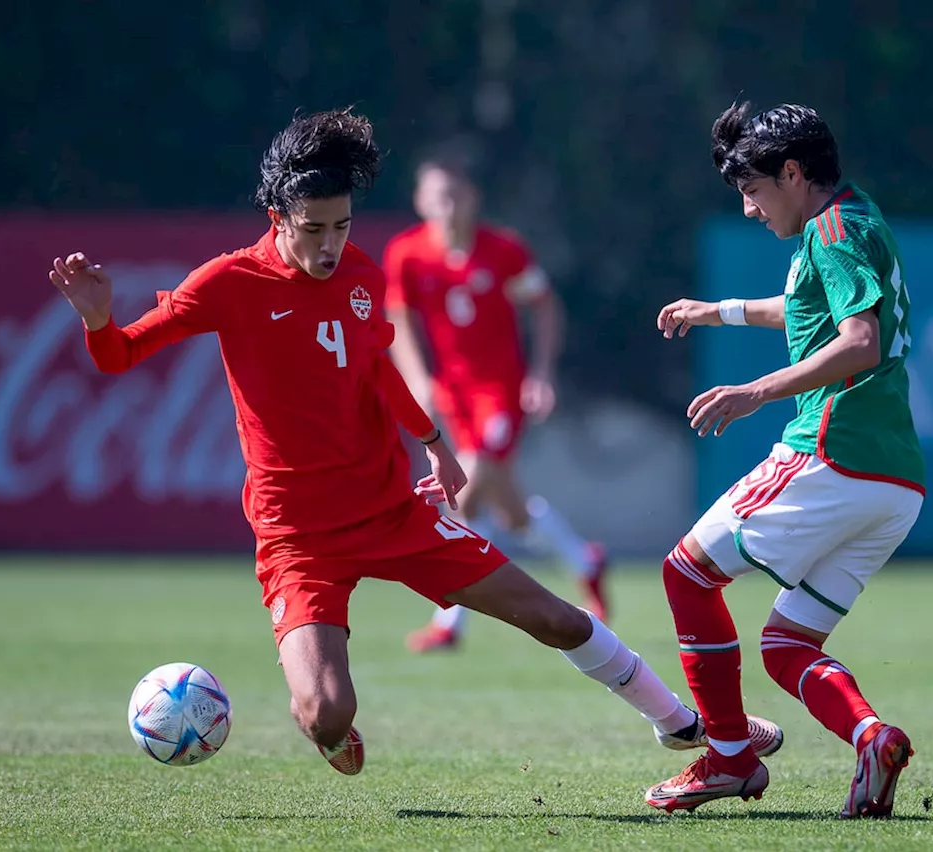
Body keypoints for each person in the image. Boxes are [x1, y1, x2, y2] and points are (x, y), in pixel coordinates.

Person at [48, 108, 781, 778]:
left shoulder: (363, 278)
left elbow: (378, 374)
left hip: (392, 513)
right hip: (297, 536)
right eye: (314, 230)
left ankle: (688, 724)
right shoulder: (228, 282)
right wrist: (98, 318)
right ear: (277, 218)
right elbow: (119, 356)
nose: (332, 246)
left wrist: (435, 442)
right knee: (326, 714)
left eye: (342, 227)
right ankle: (336, 735)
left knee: (553, 617)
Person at [644, 101, 926, 817]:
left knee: (686, 573)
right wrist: (720, 310)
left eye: (754, 191)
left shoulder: (830, 234)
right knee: (784, 644)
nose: (747, 209)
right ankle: (872, 736)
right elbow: (805, 306)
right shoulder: (854, 218)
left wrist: (757, 391)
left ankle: (732, 758)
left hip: (834, 452)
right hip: (895, 483)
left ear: (794, 173)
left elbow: (858, 339)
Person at [382, 145, 609, 654]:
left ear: (473, 198)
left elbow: (546, 309)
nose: (448, 205)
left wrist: (542, 374)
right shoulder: (407, 253)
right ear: (420, 201)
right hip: (453, 396)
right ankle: (584, 561)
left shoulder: (504, 249)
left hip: (500, 393)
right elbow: (398, 320)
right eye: (437, 195)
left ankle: (450, 622)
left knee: (468, 482)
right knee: (508, 513)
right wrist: (419, 379)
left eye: (456, 195)